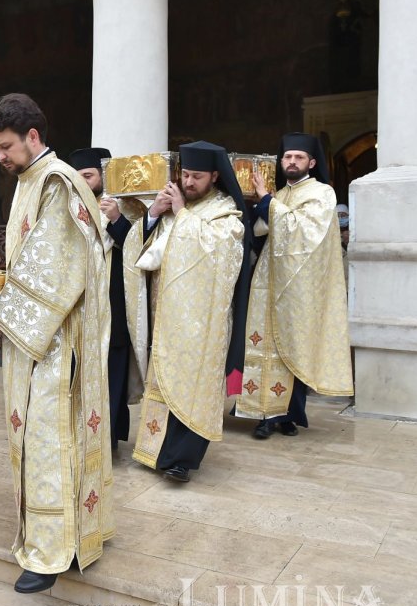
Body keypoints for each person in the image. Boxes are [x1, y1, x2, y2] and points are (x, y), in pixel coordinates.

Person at [0, 94, 112, 594]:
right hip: (33, 337)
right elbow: (25, 264)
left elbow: (54, 270)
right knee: (39, 439)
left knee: (48, 439)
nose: (0, 158)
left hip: (55, 343)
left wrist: (4, 317)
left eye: (6, 147)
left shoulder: (57, 182)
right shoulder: (30, 180)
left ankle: (51, 551)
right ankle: (60, 531)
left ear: (32, 136)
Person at [129, 142, 249, 483]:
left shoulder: (225, 212)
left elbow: (221, 257)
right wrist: (154, 213)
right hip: (167, 317)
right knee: (165, 381)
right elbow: (147, 251)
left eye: (196, 176)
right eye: (185, 175)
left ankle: (182, 460)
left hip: (203, 323)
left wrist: (182, 214)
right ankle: (156, 451)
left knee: (194, 386)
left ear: (214, 176)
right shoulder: (173, 208)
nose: (189, 181)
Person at [238, 133, 353, 438]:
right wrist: (255, 204)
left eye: (298, 157)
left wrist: (266, 202)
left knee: (292, 349)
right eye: (287, 157)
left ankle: (288, 414)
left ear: (311, 162)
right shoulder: (281, 194)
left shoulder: (321, 193)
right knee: (265, 348)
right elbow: (264, 230)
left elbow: (299, 233)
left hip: (299, 288)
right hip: (267, 283)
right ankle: (265, 414)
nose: (291, 162)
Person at [69, 147, 145, 451]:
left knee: (112, 376)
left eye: (88, 176)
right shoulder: (71, 207)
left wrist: (116, 220)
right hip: (82, 307)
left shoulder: (128, 208)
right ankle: (81, 436)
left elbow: (141, 248)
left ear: (103, 175)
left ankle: (108, 439)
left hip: (115, 308)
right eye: (79, 178)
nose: (84, 183)